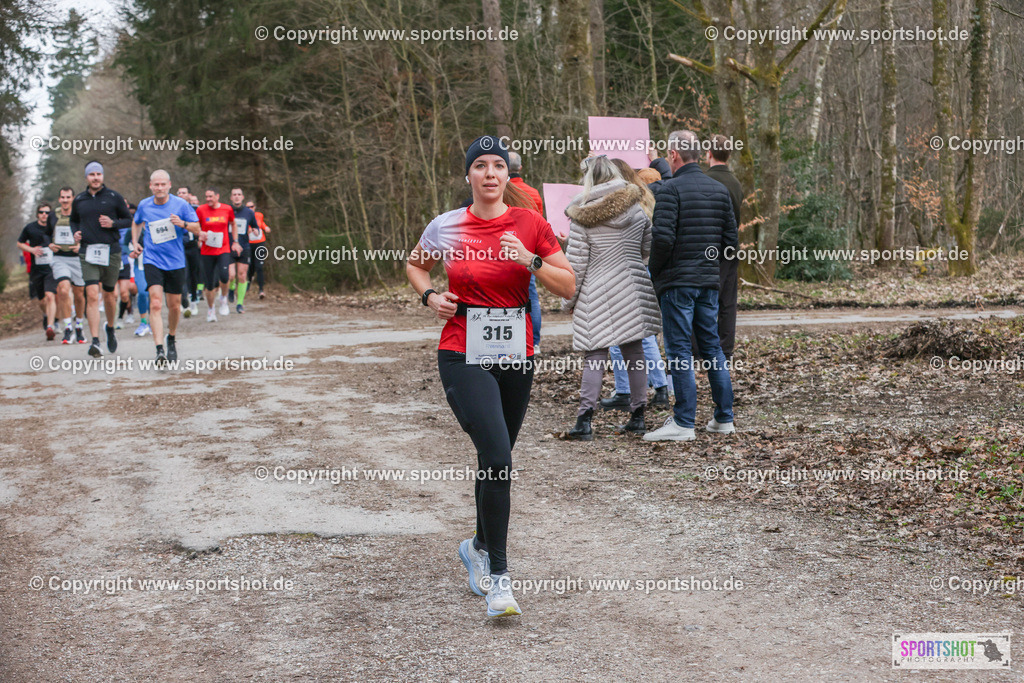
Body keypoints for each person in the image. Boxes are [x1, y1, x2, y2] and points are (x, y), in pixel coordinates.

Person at [405, 135, 574, 618]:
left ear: (507, 176)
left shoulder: (531, 224)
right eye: (480, 166)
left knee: (494, 457)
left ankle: (477, 544)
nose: (490, 173)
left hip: (515, 354)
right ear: (469, 177)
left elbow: (568, 283)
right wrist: (430, 296)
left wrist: (531, 260)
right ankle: (499, 577)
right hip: (461, 349)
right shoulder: (447, 225)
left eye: (498, 165)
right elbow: (416, 265)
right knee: (499, 454)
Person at [644, 131, 737, 442]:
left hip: (677, 282)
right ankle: (724, 417)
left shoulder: (669, 190)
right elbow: (730, 243)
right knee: (712, 348)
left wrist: (654, 273)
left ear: (674, 155)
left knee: (680, 350)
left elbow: (663, 239)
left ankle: (684, 422)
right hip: (708, 283)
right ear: (699, 153)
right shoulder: (720, 190)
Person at [561, 156, 660, 439]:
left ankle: (584, 421)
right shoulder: (637, 210)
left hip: (595, 290)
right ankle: (639, 415)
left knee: (594, 354)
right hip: (633, 286)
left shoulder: (582, 218)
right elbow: (646, 250)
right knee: (634, 351)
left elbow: (576, 266)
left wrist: (568, 301)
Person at [601, 160, 672, 412]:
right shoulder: (644, 198)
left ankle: (625, 390)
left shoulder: (622, 203)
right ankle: (659, 387)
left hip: (623, 272)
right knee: (644, 334)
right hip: (642, 270)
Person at [130, 170, 201, 365]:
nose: (159, 188)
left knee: (174, 306)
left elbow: (197, 228)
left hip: (175, 262)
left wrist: (183, 223)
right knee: (155, 303)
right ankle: (159, 349)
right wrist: (135, 242)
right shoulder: (144, 205)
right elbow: (136, 223)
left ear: (169, 185)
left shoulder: (181, 204)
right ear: (150, 186)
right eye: (156, 185)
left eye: (163, 184)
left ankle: (171, 337)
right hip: (152, 260)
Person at [701, 134, 742, 360]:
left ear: (709, 154)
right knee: (728, 300)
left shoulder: (707, 181)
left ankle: (701, 347)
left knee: (706, 299)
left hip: (709, 247)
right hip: (730, 248)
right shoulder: (735, 183)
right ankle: (725, 347)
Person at [508, 151, 545, 353]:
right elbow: (539, 223)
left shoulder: (500, 192)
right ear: (520, 168)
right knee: (531, 296)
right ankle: (535, 342)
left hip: (504, 250)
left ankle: (512, 339)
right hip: (528, 250)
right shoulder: (532, 193)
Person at [49, 187, 87, 344]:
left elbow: (88, 231)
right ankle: (67, 328)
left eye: (68, 197)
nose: (65, 200)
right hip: (60, 258)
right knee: (63, 290)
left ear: (73, 198)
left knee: (79, 294)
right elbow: (44, 233)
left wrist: (81, 245)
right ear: (59, 199)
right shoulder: (53, 216)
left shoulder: (79, 214)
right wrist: (49, 244)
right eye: (62, 197)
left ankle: (78, 326)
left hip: (77, 258)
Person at [196, 187, 239, 321]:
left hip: (223, 249)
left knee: (225, 276)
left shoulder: (227, 209)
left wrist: (235, 241)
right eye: (206, 197)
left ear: (217, 196)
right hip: (207, 250)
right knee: (209, 284)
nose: (208, 199)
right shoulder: (201, 210)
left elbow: (233, 223)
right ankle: (211, 310)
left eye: (211, 196)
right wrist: (199, 236)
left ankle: (224, 298)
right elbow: (196, 225)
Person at [17, 204, 58, 340]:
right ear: (37, 214)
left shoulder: (55, 227)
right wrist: (32, 250)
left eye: (47, 212)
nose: (44, 214)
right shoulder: (30, 228)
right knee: (42, 300)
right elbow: (20, 243)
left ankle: (51, 326)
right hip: (37, 269)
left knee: (50, 296)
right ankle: (46, 315)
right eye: (41, 212)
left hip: (51, 268)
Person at [227, 188, 256, 313]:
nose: (237, 197)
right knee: (231, 275)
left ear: (243, 197)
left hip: (244, 247)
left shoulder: (249, 212)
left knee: (242, 275)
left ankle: (240, 304)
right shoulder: (226, 211)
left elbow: (255, 226)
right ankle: (231, 287)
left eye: (239, 194)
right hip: (229, 247)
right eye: (234, 195)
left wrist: (255, 230)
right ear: (231, 197)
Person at [178, 186, 202, 318]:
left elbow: (201, 226)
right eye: (179, 193)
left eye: (184, 193)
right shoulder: (174, 209)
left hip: (193, 246)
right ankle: (184, 301)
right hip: (180, 246)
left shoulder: (196, 210)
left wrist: (200, 237)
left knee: (194, 273)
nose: (181, 195)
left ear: (189, 195)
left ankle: (193, 300)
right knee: (183, 273)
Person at [115, 202, 137, 329]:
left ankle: (124, 315)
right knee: (113, 295)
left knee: (125, 293)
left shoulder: (129, 224)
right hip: (110, 261)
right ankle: (112, 320)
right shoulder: (108, 223)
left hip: (125, 261)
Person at [245, 200, 270, 299]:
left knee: (259, 267)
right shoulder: (244, 217)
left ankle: (261, 290)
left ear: (254, 207)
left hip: (260, 243)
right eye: (247, 207)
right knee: (250, 267)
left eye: (251, 207)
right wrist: (249, 230)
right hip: (249, 245)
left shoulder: (259, 215)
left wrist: (266, 227)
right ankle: (248, 283)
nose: (249, 209)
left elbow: (262, 223)